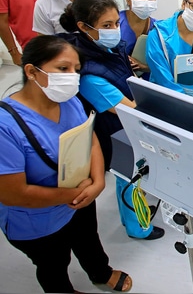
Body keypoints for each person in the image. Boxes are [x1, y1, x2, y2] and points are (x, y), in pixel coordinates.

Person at [0, 35, 132, 293]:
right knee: (53, 261)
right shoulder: (6, 126)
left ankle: (99, 271)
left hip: (80, 197)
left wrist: (98, 181)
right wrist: (76, 194)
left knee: (88, 240)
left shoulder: (69, 100)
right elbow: (13, 193)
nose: (72, 76)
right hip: (37, 219)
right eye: (63, 69)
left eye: (76, 70)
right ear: (31, 71)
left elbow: (89, 135)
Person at [58, 0, 164, 241]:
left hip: (122, 125)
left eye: (117, 23)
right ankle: (138, 227)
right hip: (113, 131)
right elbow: (128, 108)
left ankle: (137, 215)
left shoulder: (107, 47)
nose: (115, 30)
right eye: (106, 25)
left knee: (133, 175)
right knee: (128, 178)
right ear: (84, 27)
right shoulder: (89, 73)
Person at [119, 0, 159, 76]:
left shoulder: (158, 28)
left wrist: (144, 67)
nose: (145, 1)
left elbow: (164, 64)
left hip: (148, 82)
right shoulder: (115, 23)